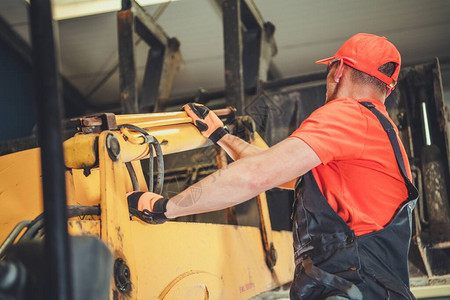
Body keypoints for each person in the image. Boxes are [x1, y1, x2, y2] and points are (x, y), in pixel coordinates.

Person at [127, 33, 418, 299]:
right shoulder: (381, 138)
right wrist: (221, 136)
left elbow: (256, 176)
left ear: (339, 69)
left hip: (353, 290)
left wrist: (166, 208)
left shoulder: (347, 114)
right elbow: (279, 171)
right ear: (387, 88)